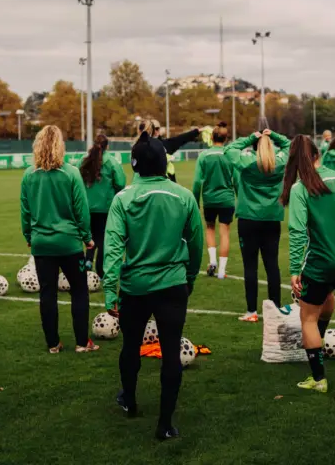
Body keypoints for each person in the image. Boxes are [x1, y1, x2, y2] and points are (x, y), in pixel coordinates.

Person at [102, 132, 204, 441]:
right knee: (171, 352)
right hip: (173, 285)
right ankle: (165, 424)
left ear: (134, 165)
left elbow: (112, 248)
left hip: (135, 288)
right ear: (163, 163)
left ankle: (129, 400)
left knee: (130, 346)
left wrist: (110, 290)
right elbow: (196, 243)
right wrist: (189, 277)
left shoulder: (123, 199)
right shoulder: (184, 196)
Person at [282, 135, 335, 393]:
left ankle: (318, 378)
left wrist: (295, 269)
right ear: (317, 154)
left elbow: (298, 232)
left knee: (308, 317)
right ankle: (317, 344)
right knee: (327, 294)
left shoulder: (300, 188)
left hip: (322, 261)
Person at [20, 125, 98, 353]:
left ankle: (53, 344)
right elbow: (81, 210)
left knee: (47, 293)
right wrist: (87, 238)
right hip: (69, 243)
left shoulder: (29, 175)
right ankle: (82, 343)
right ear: (59, 146)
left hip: (42, 244)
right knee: (79, 291)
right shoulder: (71, 173)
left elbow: (25, 211)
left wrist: (29, 236)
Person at [223, 128, 290, 322]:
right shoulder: (279, 163)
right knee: (272, 265)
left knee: (250, 267)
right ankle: (275, 309)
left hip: (248, 219)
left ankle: (251, 311)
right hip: (272, 219)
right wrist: (274, 135)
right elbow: (289, 145)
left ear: (254, 147)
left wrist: (251, 137)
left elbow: (229, 150)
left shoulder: (248, 162)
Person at [192, 122, 236, 279]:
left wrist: (196, 201)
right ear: (226, 138)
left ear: (211, 137)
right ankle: (222, 271)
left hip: (209, 199)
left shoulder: (204, 156)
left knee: (210, 228)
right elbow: (237, 179)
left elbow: (197, 182)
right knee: (225, 233)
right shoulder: (230, 155)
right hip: (227, 199)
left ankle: (212, 261)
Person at [80, 133, 126, 278]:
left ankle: (88, 261)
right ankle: (100, 271)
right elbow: (120, 183)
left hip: (87, 208)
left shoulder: (84, 161)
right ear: (107, 146)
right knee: (103, 240)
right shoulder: (111, 162)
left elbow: (77, 181)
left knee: (91, 236)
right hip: (105, 208)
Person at [137, 120, 201, 182]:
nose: (154, 131)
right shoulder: (139, 147)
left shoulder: (166, 145)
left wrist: (197, 131)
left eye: (157, 128)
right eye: (152, 129)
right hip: (148, 183)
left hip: (167, 184)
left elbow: (182, 138)